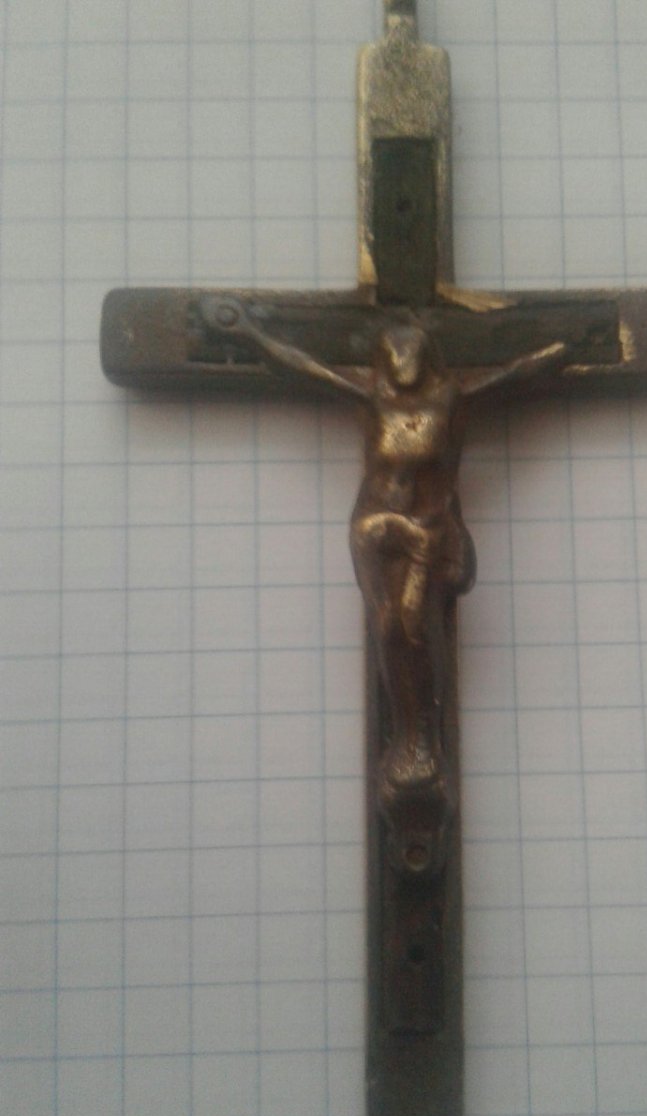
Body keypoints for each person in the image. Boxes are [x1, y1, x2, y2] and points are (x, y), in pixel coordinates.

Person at [201, 297, 566, 872]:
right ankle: (407, 745)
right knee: (388, 629)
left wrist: (565, 349)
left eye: (412, 348)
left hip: (427, 529)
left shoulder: (450, 398)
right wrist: (247, 334)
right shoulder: (371, 396)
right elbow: (305, 367)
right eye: (393, 350)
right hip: (375, 525)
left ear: (428, 355)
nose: (402, 358)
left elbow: (512, 375)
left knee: (415, 627)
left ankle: (421, 742)